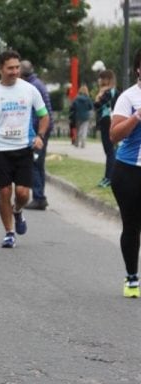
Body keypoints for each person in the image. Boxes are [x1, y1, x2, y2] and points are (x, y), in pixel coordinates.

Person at [0, 50, 49, 249]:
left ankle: (18, 210)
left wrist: (40, 136)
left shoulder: (30, 90)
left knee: (23, 194)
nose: (15, 72)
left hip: (24, 147)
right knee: (4, 191)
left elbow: (44, 116)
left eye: (17, 67)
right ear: (0, 69)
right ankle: (9, 232)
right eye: (10, 68)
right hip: (0, 149)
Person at [108, 48, 141, 298]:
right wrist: (137, 117)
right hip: (129, 171)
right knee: (132, 226)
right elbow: (114, 135)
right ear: (138, 68)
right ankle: (131, 277)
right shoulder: (128, 97)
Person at [20, 60, 53, 211]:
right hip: (42, 130)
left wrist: (36, 133)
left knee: (34, 164)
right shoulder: (37, 83)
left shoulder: (32, 87)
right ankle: (40, 196)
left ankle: (39, 197)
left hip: (39, 131)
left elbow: (38, 113)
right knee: (38, 165)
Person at [94, 69, 119, 188]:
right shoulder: (113, 91)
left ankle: (109, 178)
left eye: (103, 78)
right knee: (110, 151)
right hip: (108, 122)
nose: (101, 80)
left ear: (108, 79)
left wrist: (99, 95)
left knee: (110, 151)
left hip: (107, 122)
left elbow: (97, 104)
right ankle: (109, 177)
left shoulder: (109, 92)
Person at [71, 85, 93, 149]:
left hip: (77, 116)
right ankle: (83, 143)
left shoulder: (76, 98)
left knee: (78, 130)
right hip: (86, 116)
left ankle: (77, 142)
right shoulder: (88, 99)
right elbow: (91, 107)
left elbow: (73, 107)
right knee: (84, 130)